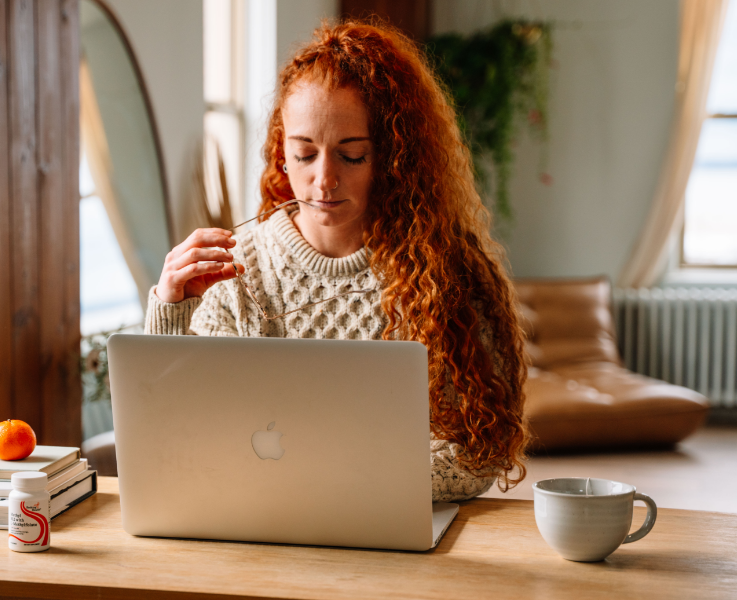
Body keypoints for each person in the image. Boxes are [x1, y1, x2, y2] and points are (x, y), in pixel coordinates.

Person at [145, 21, 527, 502]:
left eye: (351, 156)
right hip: (257, 526)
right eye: (304, 154)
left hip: (389, 530)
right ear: (281, 153)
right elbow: (176, 434)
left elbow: (478, 452)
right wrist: (169, 309)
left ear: (392, 159)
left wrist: (340, 485)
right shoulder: (236, 269)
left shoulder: (442, 273)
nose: (323, 180)